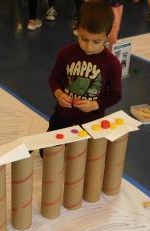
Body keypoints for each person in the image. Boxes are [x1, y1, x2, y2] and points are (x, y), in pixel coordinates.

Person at [47, 0, 122, 133]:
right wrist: (58, 94)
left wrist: (95, 105)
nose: (88, 46)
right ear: (77, 30)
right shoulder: (66, 53)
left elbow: (115, 95)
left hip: (91, 123)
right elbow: (53, 79)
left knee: (83, 154)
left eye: (96, 41)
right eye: (84, 39)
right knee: (48, 153)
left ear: (107, 35)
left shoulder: (112, 63)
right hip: (62, 117)